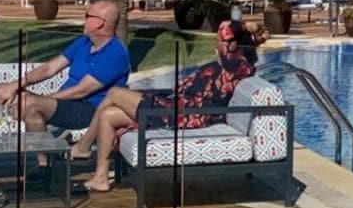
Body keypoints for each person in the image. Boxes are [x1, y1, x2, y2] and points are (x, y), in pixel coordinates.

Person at [71, 22, 256, 192]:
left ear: (233, 44)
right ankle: (101, 178)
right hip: (174, 106)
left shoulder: (238, 67)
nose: (216, 46)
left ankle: (83, 146)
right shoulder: (231, 64)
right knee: (109, 115)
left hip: (182, 114)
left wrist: (247, 27)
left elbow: (227, 27)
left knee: (114, 93)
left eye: (221, 42)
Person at [0, 1, 129, 135]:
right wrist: (15, 85)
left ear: (99, 22)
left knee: (29, 105)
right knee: (1, 92)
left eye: (87, 16)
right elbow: (50, 68)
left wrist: (44, 100)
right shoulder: (84, 43)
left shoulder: (116, 54)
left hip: (87, 110)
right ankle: (42, 157)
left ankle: (38, 153)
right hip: (66, 104)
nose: (84, 19)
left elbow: (80, 91)